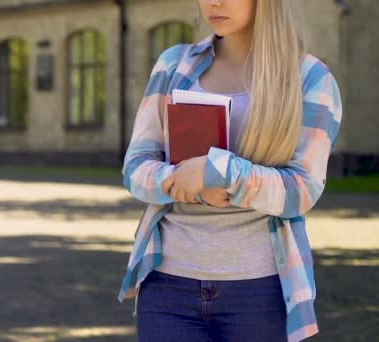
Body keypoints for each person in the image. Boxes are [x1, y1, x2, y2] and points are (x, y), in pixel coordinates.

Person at [119, 1, 342, 341]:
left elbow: (302, 190)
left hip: (261, 292)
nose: (214, 1)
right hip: (167, 287)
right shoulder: (173, 64)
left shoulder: (310, 79)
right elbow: (135, 167)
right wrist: (184, 181)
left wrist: (221, 173)